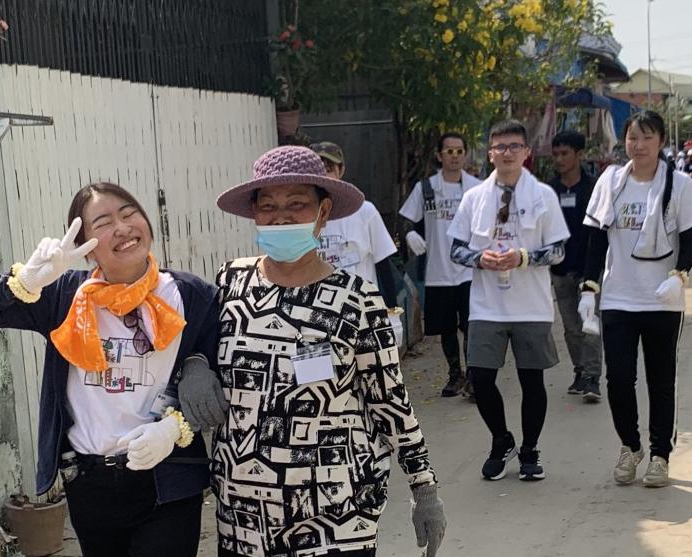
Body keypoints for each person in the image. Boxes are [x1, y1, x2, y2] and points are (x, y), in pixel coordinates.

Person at [194, 145, 446, 557]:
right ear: (254, 213)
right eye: (268, 206)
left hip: (335, 516)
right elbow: (193, 344)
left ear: (323, 212)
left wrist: (424, 486)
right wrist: (195, 363)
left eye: (297, 204)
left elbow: (389, 402)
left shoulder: (357, 300)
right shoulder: (230, 283)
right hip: (244, 518)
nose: (281, 217)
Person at [0, 182, 219, 556]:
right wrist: (23, 282)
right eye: (103, 222)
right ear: (84, 245)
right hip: (89, 481)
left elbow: (224, 371)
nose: (121, 227)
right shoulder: (64, 295)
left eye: (129, 213)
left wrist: (174, 425)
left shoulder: (191, 295)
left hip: (168, 475)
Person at [579, 110, 692, 488]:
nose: (639, 145)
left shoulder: (679, 184)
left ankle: (660, 454)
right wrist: (589, 288)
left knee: (661, 380)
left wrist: (680, 277)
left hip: (663, 299)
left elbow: (691, 238)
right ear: (625, 141)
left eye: (648, 137)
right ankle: (630, 446)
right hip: (619, 297)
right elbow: (596, 238)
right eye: (633, 137)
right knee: (618, 378)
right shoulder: (612, 181)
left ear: (661, 142)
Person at [447, 120, 570, 481]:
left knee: (532, 381)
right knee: (481, 378)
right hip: (487, 305)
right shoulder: (473, 198)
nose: (507, 153)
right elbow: (456, 248)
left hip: (531, 304)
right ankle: (501, 440)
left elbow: (560, 250)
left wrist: (524, 258)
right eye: (499, 147)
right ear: (489, 153)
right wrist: (479, 259)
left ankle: (530, 450)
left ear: (527, 152)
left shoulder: (543, 195)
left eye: (514, 146)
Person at [399, 132, 481, 397]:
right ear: (439, 156)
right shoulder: (426, 188)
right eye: (449, 152)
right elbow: (405, 219)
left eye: (459, 151)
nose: (454, 157)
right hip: (438, 270)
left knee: (471, 324)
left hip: (470, 269)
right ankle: (454, 374)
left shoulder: (476, 188)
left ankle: (473, 376)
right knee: (445, 327)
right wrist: (410, 234)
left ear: (465, 155)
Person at [310, 141, 398, 307]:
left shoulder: (364, 211)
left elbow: (383, 265)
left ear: (341, 170)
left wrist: (391, 310)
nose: (323, 177)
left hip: (362, 309)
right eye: (317, 171)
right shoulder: (304, 217)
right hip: (318, 311)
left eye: (328, 170)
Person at [549, 130, 602, 402]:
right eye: (555, 154)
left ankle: (593, 377)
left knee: (590, 324)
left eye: (564, 153)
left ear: (579, 155)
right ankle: (580, 371)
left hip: (589, 270)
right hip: (560, 270)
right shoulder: (549, 191)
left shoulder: (593, 189)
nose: (559, 159)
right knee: (571, 328)